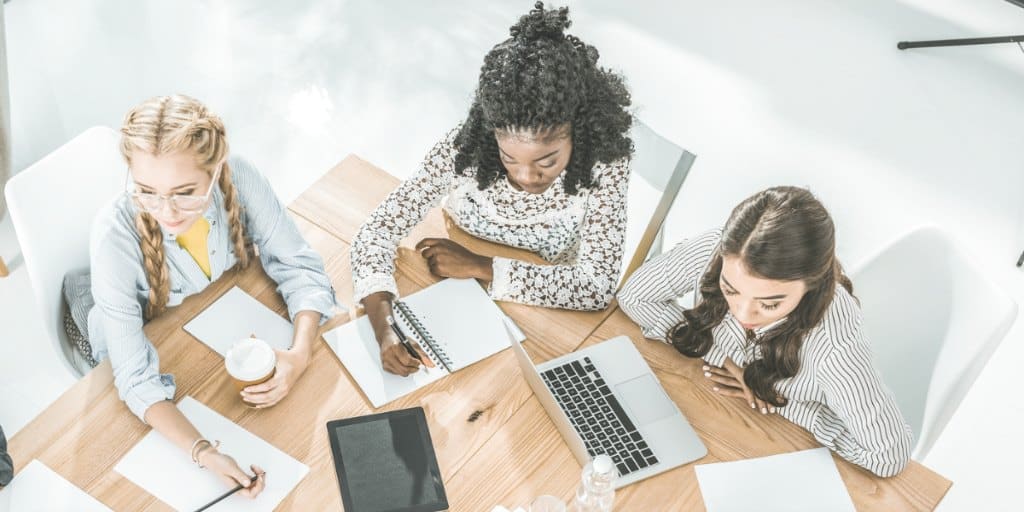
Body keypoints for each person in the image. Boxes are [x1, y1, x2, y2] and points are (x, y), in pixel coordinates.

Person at [351, 2, 634, 377]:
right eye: (509, 158)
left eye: (547, 161)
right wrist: (385, 328)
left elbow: (595, 286)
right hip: (456, 281)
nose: (526, 176)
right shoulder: (464, 149)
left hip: (543, 297)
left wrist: (479, 265)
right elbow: (376, 231)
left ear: (578, 133)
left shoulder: (605, 164)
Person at [86, 94, 337, 494]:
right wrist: (204, 452)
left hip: (201, 310)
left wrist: (301, 354)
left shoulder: (239, 176)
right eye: (146, 191)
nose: (166, 211)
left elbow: (301, 267)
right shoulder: (112, 237)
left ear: (215, 168)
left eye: (185, 192)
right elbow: (135, 379)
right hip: (130, 325)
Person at [618, 186, 913, 477]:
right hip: (713, 422)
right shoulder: (716, 250)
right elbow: (635, 296)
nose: (742, 313)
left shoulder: (834, 345)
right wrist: (728, 362)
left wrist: (781, 403)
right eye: (730, 289)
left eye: (769, 304)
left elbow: (887, 456)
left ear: (811, 285)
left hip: (784, 454)